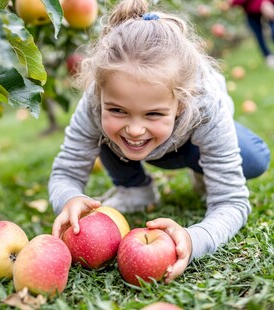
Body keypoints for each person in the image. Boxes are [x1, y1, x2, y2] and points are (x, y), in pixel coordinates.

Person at [49, 0, 270, 282]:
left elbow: (232, 202)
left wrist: (194, 239)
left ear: (180, 103)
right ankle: (135, 188)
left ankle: (202, 170)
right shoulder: (94, 102)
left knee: (254, 158)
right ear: (101, 94)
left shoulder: (204, 106)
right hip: (136, 147)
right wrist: (70, 198)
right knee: (108, 130)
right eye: (118, 109)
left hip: (192, 141)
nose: (135, 129)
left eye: (153, 113)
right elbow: (65, 172)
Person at [230, 0, 274, 68]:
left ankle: (268, 57)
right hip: (252, 10)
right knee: (258, 35)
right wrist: (261, 3)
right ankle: (268, 56)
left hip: (268, 6)